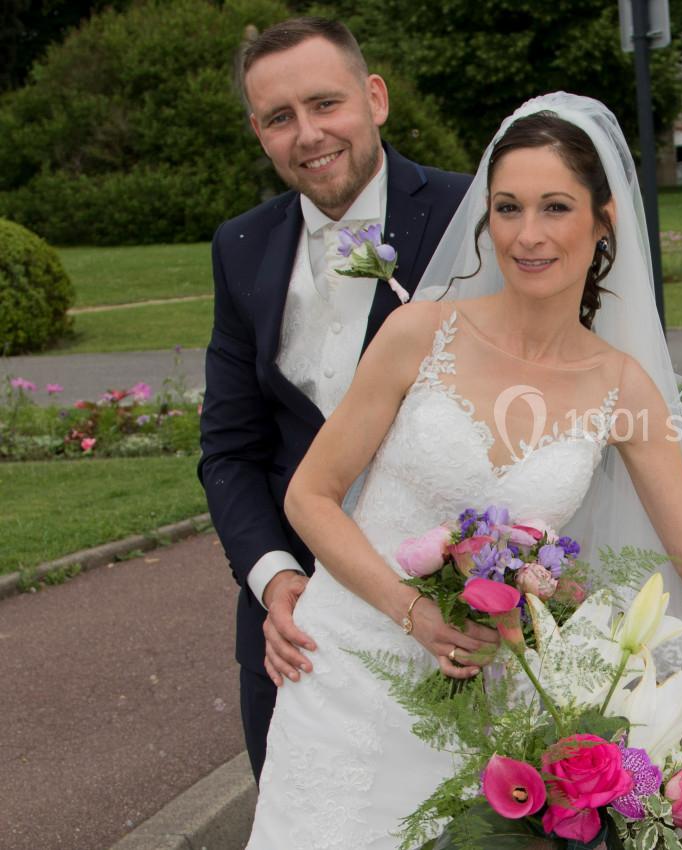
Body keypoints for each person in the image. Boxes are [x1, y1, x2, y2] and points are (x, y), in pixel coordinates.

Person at [244, 93, 682, 849]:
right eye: (508, 208)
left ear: (603, 220)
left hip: (481, 705)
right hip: (347, 679)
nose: (528, 235)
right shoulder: (418, 334)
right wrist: (413, 613)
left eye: (556, 208)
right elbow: (311, 496)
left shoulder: (622, 386)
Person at [196, 16, 471, 783]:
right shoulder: (239, 247)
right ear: (259, 133)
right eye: (280, 118)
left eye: (326, 104)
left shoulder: (475, 217)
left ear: (374, 98)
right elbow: (230, 451)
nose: (308, 133)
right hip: (299, 634)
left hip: (451, 618)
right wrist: (275, 580)